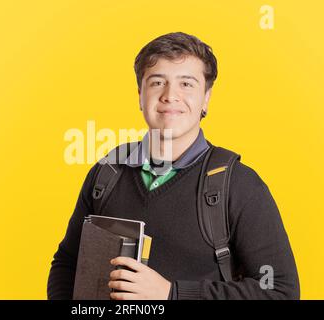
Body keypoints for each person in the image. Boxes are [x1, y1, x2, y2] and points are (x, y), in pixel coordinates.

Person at [47, 32, 300, 300]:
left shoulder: (238, 185)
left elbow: (279, 291)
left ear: (206, 98)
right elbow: (67, 264)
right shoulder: (107, 172)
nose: (170, 95)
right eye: (157, 82)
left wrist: (172, 293)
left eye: (187, 84)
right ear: (140, 96)